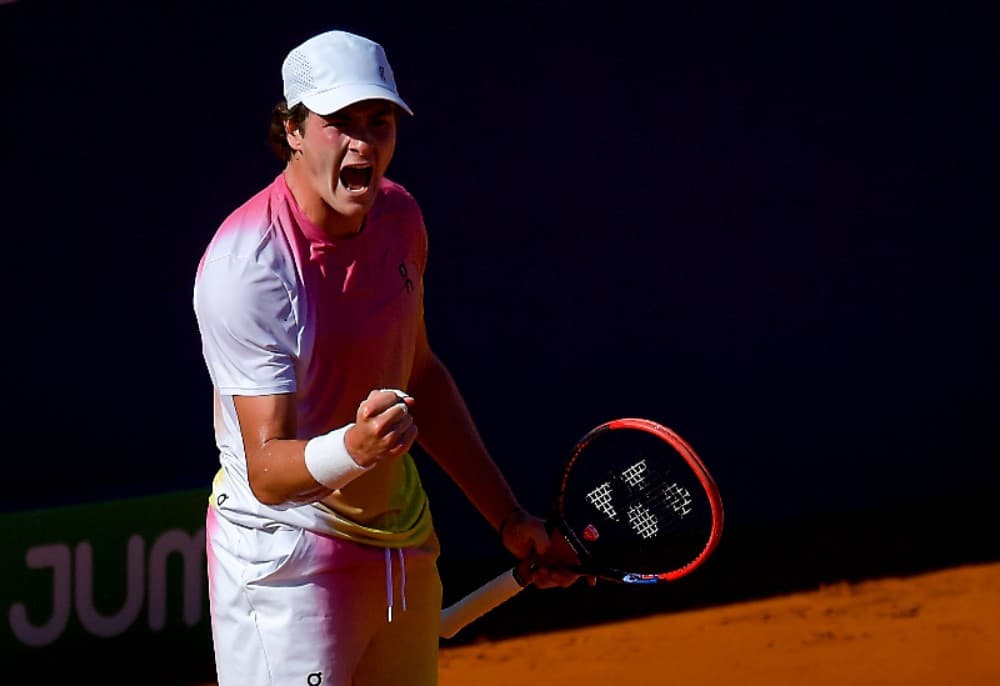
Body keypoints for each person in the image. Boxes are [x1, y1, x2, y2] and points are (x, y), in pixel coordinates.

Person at [192, 28, 582, 686]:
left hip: (399, 539)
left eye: (379, 122)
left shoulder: (399, 217)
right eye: (339, 123)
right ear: (292, 131)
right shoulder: (249, 268)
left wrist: (509, 518)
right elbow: (267, 472)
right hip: (286, 559)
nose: (364, 144)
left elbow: (419, 372)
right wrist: (355, 448)